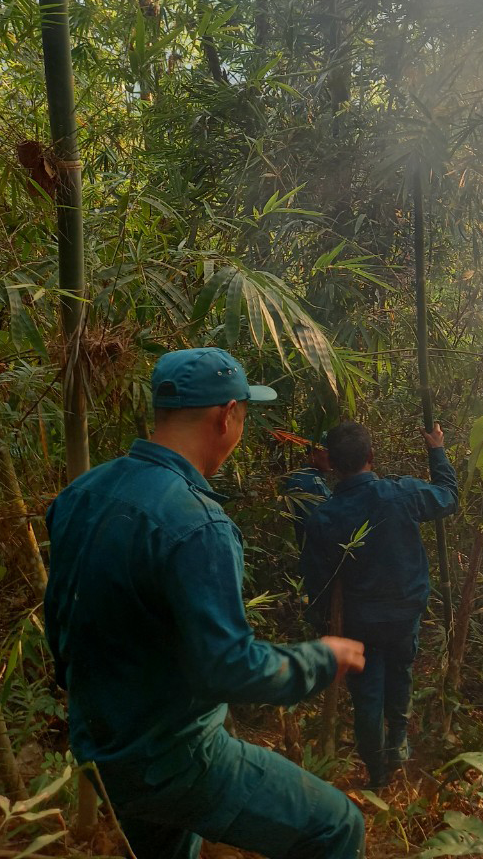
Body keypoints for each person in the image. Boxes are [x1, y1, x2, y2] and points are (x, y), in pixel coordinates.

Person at [43, 348, 367, 859]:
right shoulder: (199, 524)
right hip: (175, 759)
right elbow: (227, 669)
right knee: (336, 825)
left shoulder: (81, 494)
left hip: (101, 749)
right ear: (226, 415)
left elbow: (61, 629)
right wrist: (321, 657)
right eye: (244, 413)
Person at [300, 421, 458, 789]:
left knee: (367, 693)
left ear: (334, 465)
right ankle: (398, 750)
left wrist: (322, 624)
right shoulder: (400, 494)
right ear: (371, 456)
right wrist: (437, 450)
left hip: (360, 621)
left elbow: (316, 579)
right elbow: (448, 496)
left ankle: (378, 775)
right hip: (405, 613)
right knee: (400, 675)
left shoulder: (325, 517)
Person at [282, 439, 333, 549]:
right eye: (328, 451)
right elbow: (318, 527)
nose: (333, 456)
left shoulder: (300, 476)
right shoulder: (311, 482)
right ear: (313, 453)